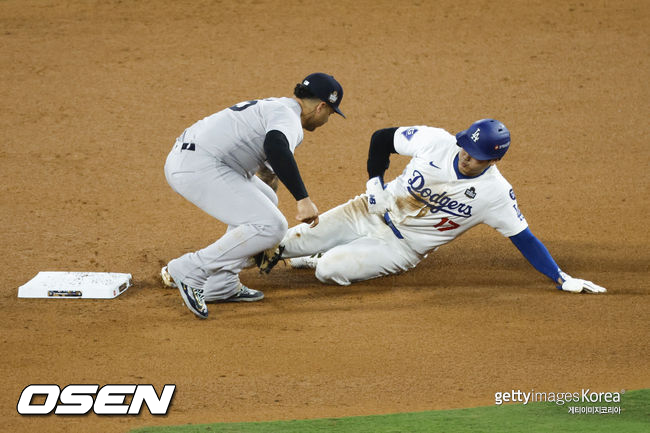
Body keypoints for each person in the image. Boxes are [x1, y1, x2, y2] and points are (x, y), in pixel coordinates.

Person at [260, 119, 607, 294]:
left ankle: (322, 255)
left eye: (477, 158)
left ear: (494, 159)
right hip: (367, 210)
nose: (467, 159)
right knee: (280, 244)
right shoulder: (437, 141)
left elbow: (525, 238)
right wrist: (374, 183)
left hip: (401, 247)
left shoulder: (496, 194)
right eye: (466, 150)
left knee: (328, 270)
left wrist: (561, 278)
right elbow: (382, 139)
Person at [161, 72, 345, 319]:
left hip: (194, 158)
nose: (326, 120)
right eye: (330, 114)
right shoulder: (288, 119)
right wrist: (303, 199)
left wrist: (261, 238)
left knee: (268, 203)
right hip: (198, 166)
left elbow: (268, 171)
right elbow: (276, 147)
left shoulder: (276, 106)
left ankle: (221, 285)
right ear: (321, 106)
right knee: (273, 226)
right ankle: (191, 269)